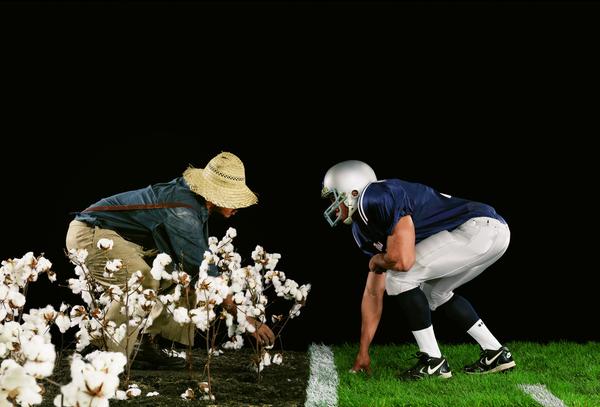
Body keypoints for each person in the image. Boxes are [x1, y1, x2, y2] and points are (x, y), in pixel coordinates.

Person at [66, 151, 275, 366]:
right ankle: (100, 349)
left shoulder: (194, 202)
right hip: (91, 233)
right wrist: (247, 320)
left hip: (121, 238)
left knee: (180, 278)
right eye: (234, 199)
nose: (238, 207)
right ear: (217, 195)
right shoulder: (183, 212)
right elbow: (205, 271)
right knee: (141, 279)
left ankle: (145, 344)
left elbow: (193, 268)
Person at [321, 160, 515, 380]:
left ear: (352, 191)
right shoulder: (361, 229)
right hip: (492, 233)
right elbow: (373, 293)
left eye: (333, 196)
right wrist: (363, 351)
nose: (332, 205)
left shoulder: (375, 196)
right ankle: (496, 353)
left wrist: (379, 259)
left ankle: (433, 361)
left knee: (400, 278)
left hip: (477, 228)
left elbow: (402, 261)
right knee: (435, 293)